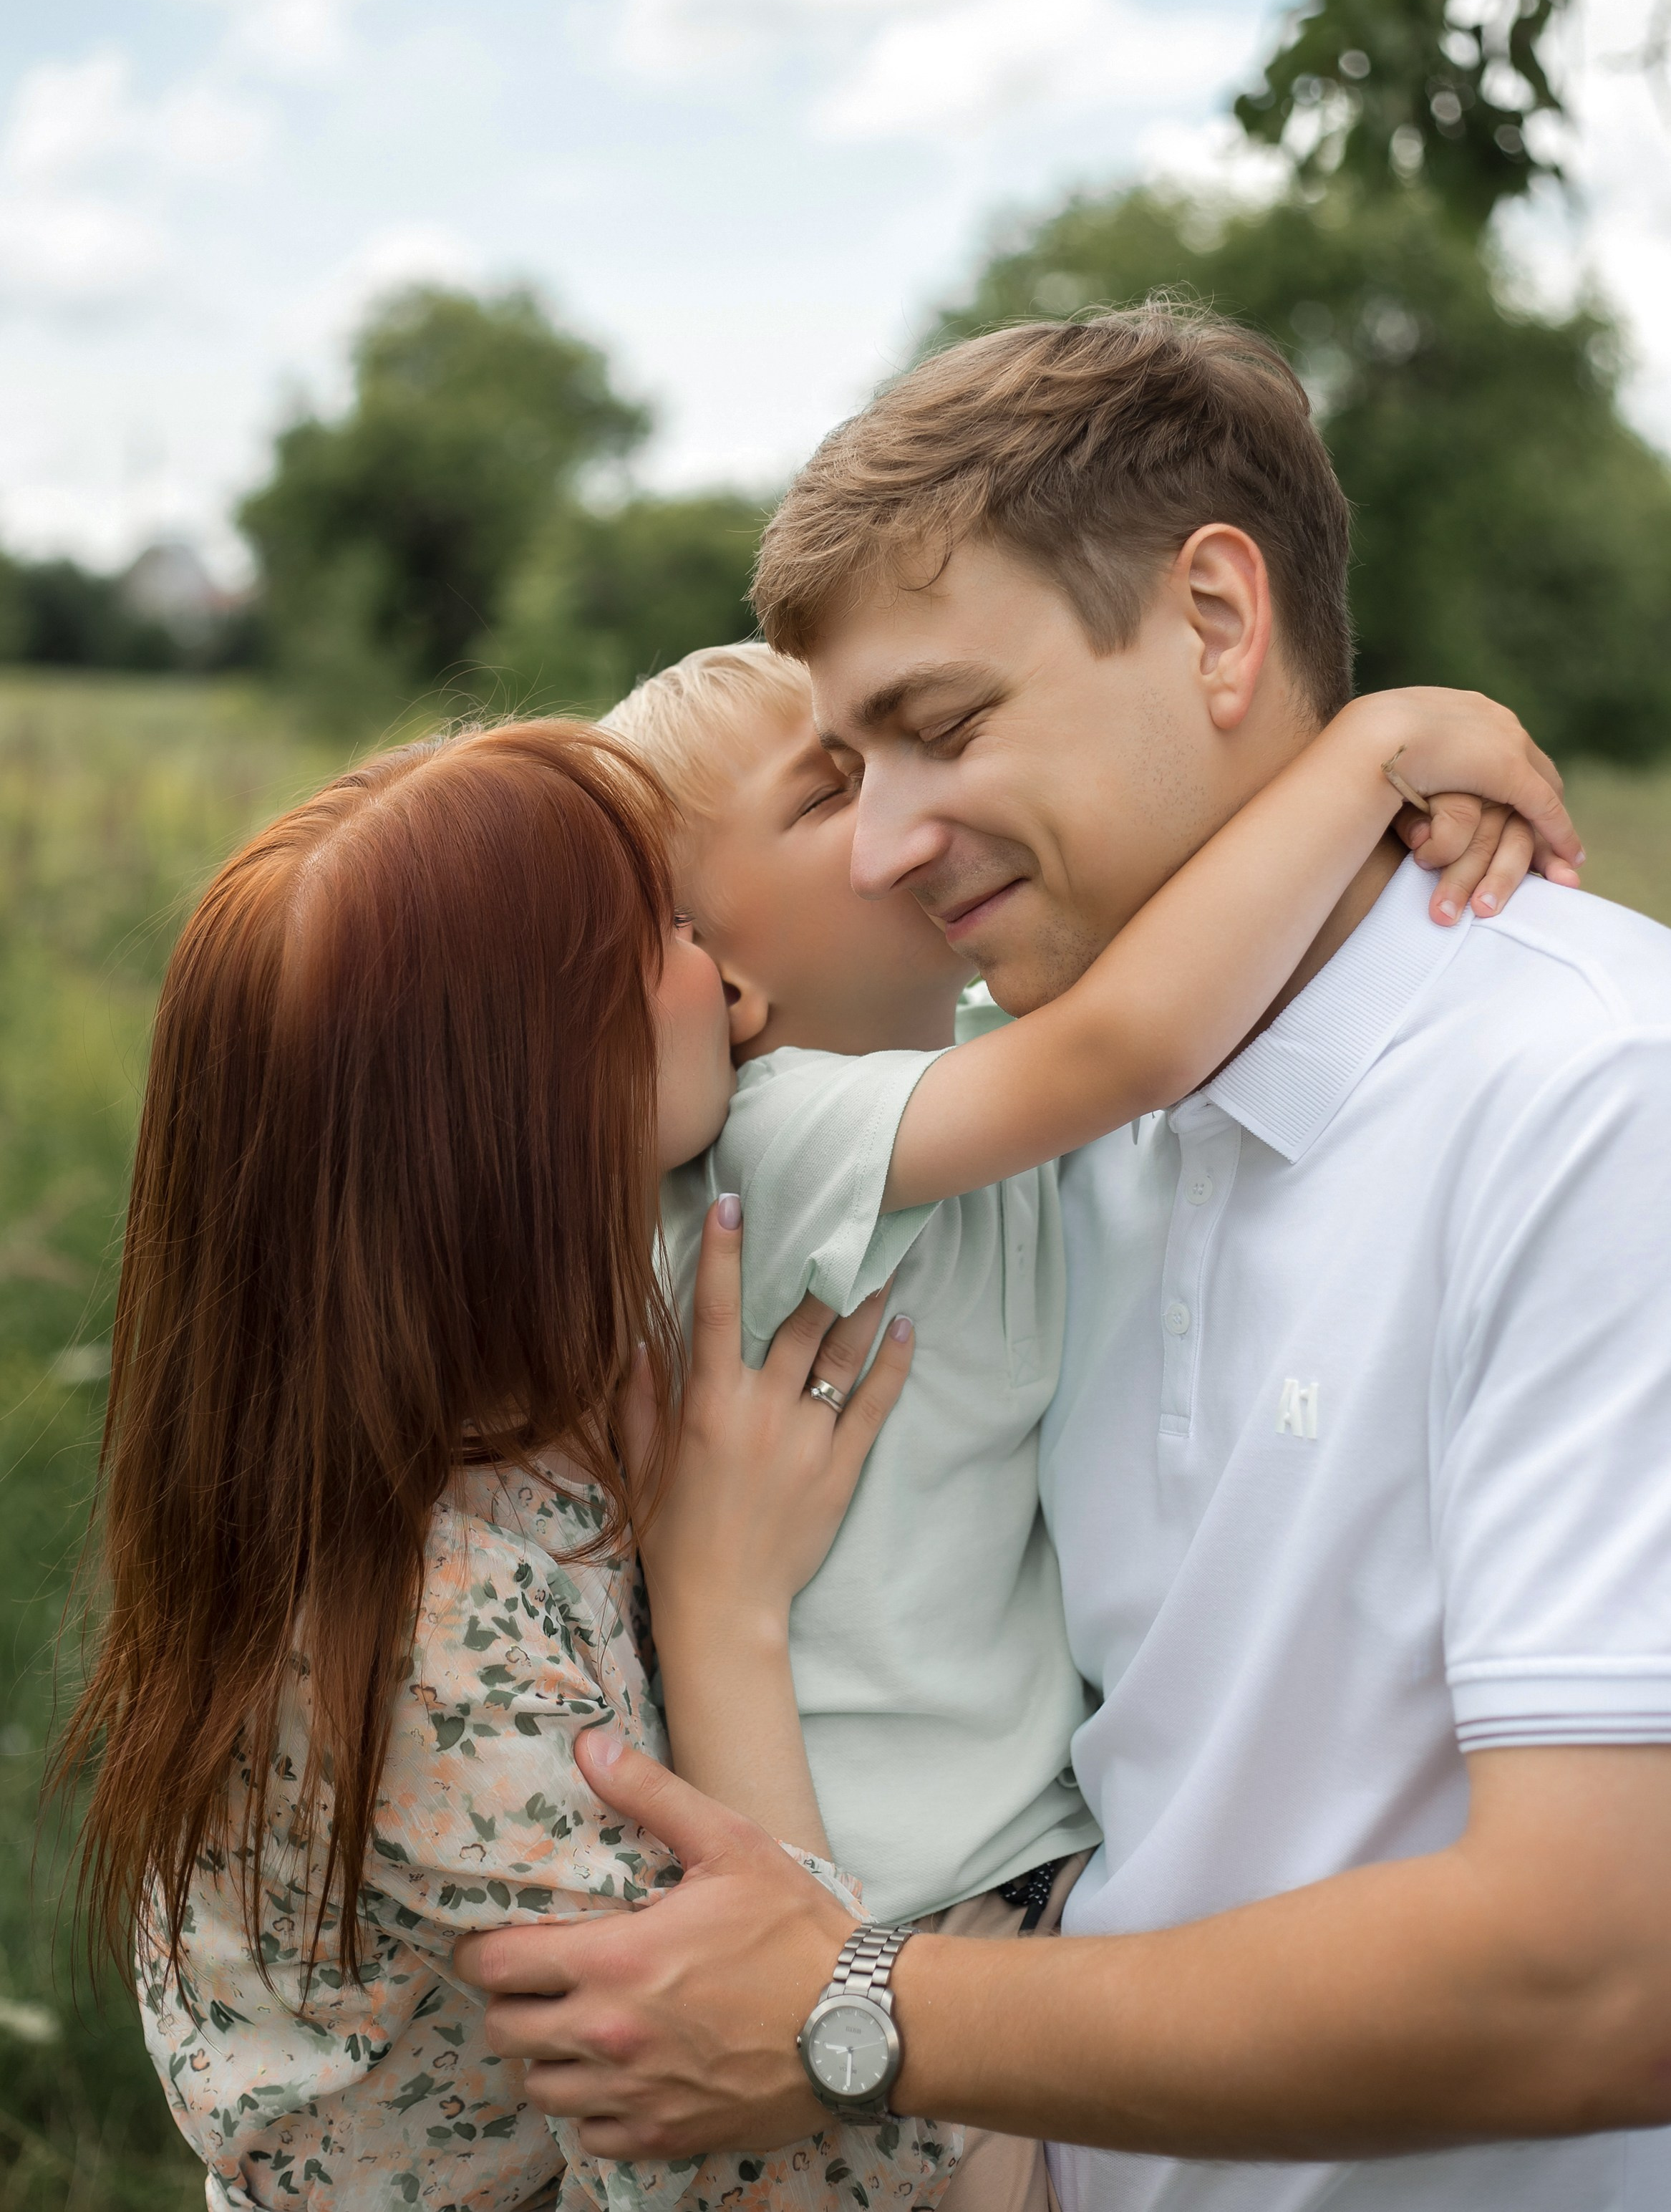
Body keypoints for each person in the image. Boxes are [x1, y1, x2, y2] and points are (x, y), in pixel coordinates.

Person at [456, 307, 1671, 2212]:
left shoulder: (1592, 1097)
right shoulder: (1033, 1124)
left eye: (937, 728)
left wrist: (848, 2000)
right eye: (841, 768)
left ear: (1211, 618)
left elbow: (1603, 1972)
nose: (877, 845)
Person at [599, 643, 1571, 2212]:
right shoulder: (781, 1137)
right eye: (835, 792)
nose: (905, 829)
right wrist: (1375, 753)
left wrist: (1381, 867)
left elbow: (1180, 981)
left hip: (1005, 1888)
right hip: (874, 1895)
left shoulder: (965, 1082)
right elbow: (1141, 1034)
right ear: (725, 976)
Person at [58, 719, 948, 2212]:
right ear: (535, 1100)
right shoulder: (436, 1628)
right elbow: (773, 2170)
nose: (720, 971)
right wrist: (723, 1603)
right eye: (664, 926)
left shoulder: (410, 1435)